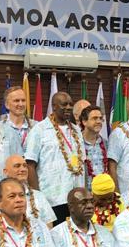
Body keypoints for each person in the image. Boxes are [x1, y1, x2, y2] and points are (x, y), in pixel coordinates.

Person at [25, 92, 86, 223]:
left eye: (71, 104)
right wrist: (38, 198)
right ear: (54, 107)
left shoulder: (76, 131)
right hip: (52, 199)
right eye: (64, 104)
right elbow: (30, 164)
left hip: (77, 198)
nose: (69, 107)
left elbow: (82, 163)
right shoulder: (39, 130)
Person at [0, 155, 57, 230]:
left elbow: (48, 227)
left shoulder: (39, 196)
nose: (23, 169)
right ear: (5, 171)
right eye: (17, 166)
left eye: (25, 166)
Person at [0, 85, 35, 156]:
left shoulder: (36, 127)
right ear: (7, 105)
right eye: (16, 101)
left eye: (23, 100)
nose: (21, 104)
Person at [78, 105, 108, 188]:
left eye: (100, 118)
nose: (99, 121)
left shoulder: (105, 143)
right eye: (94, 118)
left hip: (103, 193)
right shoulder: (76, 143)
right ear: (84, 121)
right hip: (84, 195)